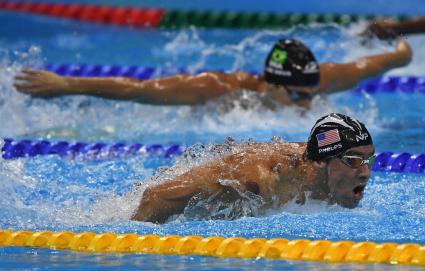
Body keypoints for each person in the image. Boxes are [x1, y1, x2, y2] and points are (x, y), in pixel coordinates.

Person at [14, 38, 412, 109]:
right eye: (296, 96)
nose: (307, 102)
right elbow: (138, 89)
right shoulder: (215, 88)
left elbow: (382, 62)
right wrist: (67, 84)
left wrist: (399, 46)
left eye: (311, 94)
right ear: (270, 84)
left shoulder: (324, 78)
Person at [132, 113, 375, 223]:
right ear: (322, 163)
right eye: (353, 161)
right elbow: (155, 196)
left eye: (368, 160)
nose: (365, 173)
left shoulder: (326, 174)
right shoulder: (259, 180)